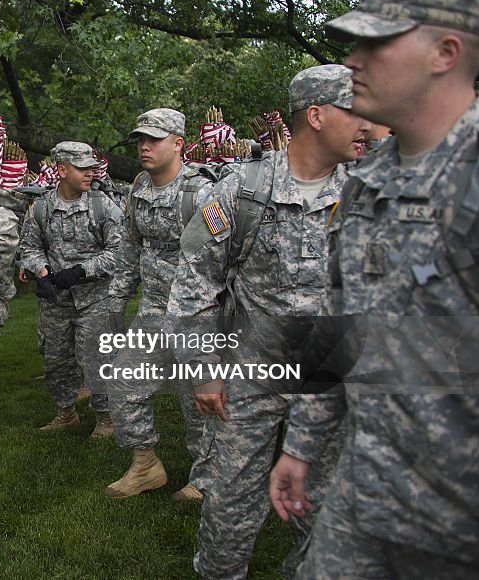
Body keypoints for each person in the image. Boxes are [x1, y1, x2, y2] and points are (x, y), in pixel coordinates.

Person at [269, 0, 479, 578]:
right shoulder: (370, 179)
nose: (354, 60)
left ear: (445, 53)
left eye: (376, 42)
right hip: (367, 492)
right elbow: (339, 327)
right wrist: (302, 444)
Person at [167, 65, 372, 579]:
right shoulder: (243, 191)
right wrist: (206, 368)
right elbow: (194, 287)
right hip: (249, 378)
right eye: (357, 112)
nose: (368, 125)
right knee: (230, 505)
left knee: (328, 509)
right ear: (318, 116)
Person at [104, 109, 214, 500]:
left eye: (154, 139)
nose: (144, 146)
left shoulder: (203, 192)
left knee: (196, 397)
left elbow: (220, 257)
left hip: (197, 313)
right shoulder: (138, 189)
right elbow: (130, 246)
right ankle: (146, 464)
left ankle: (207, 476)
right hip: (152, 307)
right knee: (122, 383)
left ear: (178, 143)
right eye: (140, 139)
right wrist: (117, 299)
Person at [19, 141, 123, 439]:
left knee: (96, 359)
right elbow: (30, 246)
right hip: (56, 301)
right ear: (61, 170)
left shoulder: (103, 207)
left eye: (91, 168)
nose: (89, 173)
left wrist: (80, 271)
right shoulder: (41, 208)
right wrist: (41, 271)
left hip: (95, 299)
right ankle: (66, 414)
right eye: (82, 168)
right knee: (56, 359)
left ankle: (106, 419)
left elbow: (119, 252)